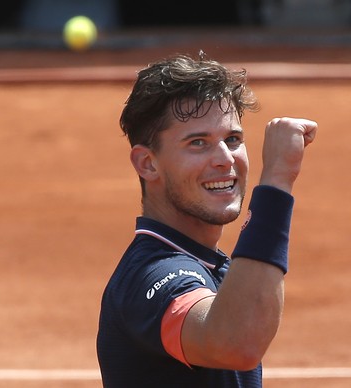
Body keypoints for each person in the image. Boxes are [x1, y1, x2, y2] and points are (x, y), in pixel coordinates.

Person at [97, 51, 317, 387]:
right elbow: (236, 343)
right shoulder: (154, 275)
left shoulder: (206, 264)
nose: (225, 159)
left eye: (232, 139)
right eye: (198, 143)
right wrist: (277, 180)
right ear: (147, 164)